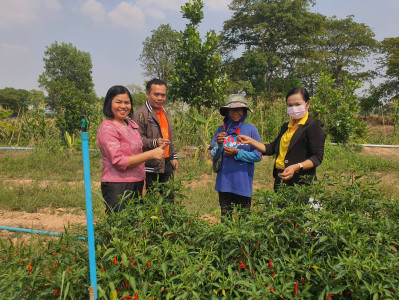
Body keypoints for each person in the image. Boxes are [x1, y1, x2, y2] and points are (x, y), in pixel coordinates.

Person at [238, 87, 326, 191]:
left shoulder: (313, 126)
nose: (293, 108)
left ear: (308, 104)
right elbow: (272, 148)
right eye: (290, 105)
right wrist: (251, 141)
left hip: (301, 183)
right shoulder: (286, 126)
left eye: (297, 104)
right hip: (281, 179)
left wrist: (297, 167)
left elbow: (317, 158)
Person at [96, 85, 166, 213]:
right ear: (109, 103)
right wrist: (151, 154)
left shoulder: (131, 124)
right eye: (118, 102)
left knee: (135, 226)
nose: (123, 106)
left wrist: (142, 180)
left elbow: (137, 153)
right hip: (117, 185)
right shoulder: (107, 128)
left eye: (127, 102)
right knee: (120, 227)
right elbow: (119, 162)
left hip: (137, 183)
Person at [210, 94, 262, 220]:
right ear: (227, 112)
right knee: (226, 216)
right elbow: (213, 154)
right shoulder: (221, 130)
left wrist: (237, 153)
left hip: (242, 183)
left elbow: (257, 156)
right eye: (232, 110)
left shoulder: (251, 130)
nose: (235, 113)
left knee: (243, 217)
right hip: (224, 183)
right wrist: (219, 143)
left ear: (244, 111)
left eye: (239, 110)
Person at [133, 78, 178, 200]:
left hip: (166, 161)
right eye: (156, 94)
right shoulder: (140, 114)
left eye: (163, 95)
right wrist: (154, 142)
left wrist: (173, 156)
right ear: (147, 93)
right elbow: (136, 140)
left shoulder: (164, 111)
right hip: (149, 164)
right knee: (151, 199)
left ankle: (168, 219)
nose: (160, 98)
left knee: (169, 198)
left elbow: (169, 135)